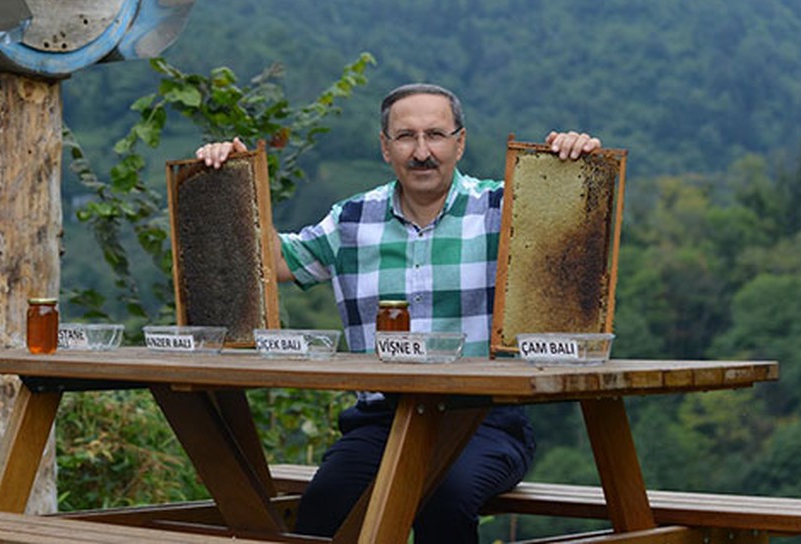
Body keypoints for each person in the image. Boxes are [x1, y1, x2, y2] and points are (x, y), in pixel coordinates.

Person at [196, 82, 602, 544]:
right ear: (385, 148)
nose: (422, 151)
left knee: (443, 499)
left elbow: (577, 235)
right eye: (406, 137)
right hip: (380, 423)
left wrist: (574, 163)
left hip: (484, 421)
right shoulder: (352, 219)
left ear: (460, 142)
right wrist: (231, 180)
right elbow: (273, 261)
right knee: (323, 510)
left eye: (436, 135)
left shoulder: (500, 209)